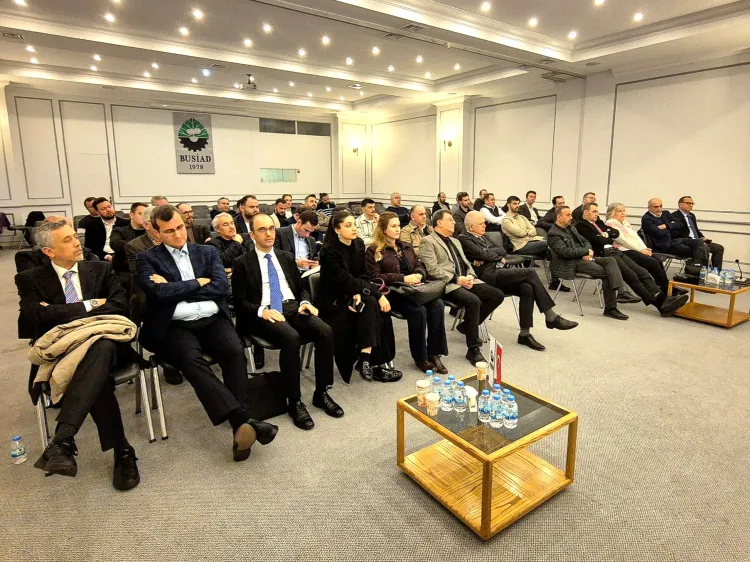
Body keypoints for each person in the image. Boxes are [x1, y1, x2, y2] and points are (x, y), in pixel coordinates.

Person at [135, 205, 277, 462]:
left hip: (212, 319)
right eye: (169, 231)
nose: (178, 234)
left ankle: (241, 424)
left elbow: (221, 288)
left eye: (180, 227)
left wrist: (177, 288)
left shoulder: (207, 252)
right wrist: (198, 283)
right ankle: (242, 421)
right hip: (174, 325)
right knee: (191, 359)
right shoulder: (146, 259)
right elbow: (158, 293)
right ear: (156, 233)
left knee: (234, 350)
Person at [15, 220, 140, 490]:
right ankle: (122, 451)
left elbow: (120, 306)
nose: (77, 243)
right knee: (97, 372)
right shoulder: (30, 278)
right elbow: (36, 318)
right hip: (64, 351)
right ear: (49, 251)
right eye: (68, 240)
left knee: (100, 346)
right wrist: (93, 304)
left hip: (111, 343)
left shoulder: (101, 269)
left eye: (75, 236)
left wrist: (59, 311)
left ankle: (63, 439)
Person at [232, 214, 343, 430]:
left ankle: (321, 392)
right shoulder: (242, 263)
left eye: (271, 229)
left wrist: (305, 301)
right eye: (262, 230)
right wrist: (262, 311)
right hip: (264, 311)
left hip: (292, 306)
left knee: (325, 330)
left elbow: (301, 287)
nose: (269, 234)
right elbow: (239, 301)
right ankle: (294, 401)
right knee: (291, 338)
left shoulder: (286, 256)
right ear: (252, 235)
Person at [459, 211, 578, 351]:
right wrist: (491, 255)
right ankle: (550, 316)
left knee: (527, 287)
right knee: (530, 272)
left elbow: (502, 250)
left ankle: (524, 334)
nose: (485, 225)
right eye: (481, 224)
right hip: (484, 277)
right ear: (471, 227)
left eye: (484, 223)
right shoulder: (464, 238)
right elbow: (483, 254)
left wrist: (490, 255)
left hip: (495, 273)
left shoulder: (483, 236)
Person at [318, 210, 400, 383]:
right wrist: (375, 294)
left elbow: (363, 275)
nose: (354, 228)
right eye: (348, 226)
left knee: (375, 308)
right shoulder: (328, 251)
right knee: (373, 304)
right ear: (337, 229)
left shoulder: (358, 244)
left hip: (355, 292)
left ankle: (367, 360)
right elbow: (343, 280)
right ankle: (371, 363)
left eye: (354, 224)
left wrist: (359, 292)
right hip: (334, 300)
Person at [366, 212, 448, 374]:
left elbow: (420, 265)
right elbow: (375, 277)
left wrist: (418, 275)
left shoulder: (405, 246)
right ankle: (420, 357)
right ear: (383, 229)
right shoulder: (374, 250)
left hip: (415, 290)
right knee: (419, 311)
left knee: (438, 304)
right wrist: (403, 278)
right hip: (395, 293)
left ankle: (434, 353)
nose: (398, 229)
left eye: (398, 225)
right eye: (393, 226)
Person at [420, 210, 505, 365]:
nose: (454, 222)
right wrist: (457, 279)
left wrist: (471, 276)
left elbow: (467, 263)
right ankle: (473, 349)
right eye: (450, 220)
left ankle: (466, 325)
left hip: (465, 280)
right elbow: (432, 269)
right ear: (439, 222)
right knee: (473, 301)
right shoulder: (428, 241)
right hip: (447, 284)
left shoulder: (455, 241)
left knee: (497, 295)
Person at [577, 203, 689, 316]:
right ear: (585, 212)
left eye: (597, 211)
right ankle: (659, 304)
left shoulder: (599, 222)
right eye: (594, 212)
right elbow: (599, 240)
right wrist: (607, 235)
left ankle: (663, 298)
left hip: (615, 251)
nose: (597, 214)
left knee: (642, 272)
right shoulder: (581, 226)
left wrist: (605, 235)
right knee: (632, 276)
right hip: (604, 255)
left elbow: (615, 234)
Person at [548, 206, 629, 320]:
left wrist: (587, 251)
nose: (571, 217)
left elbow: (585, 241)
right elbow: (565, 252)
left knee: (611, 260)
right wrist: (585, 252)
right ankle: (611, 308)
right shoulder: (554, 234)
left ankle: (621, 292)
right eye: (568, 215)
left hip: (582, 258)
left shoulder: (571, 228)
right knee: (607, 273)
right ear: (559, 217)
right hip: (570, 264)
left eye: (571, 215)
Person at [604, 203, 674, 295]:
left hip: (636, 249)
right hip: (624, 251)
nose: (623, 213)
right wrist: (640, 250)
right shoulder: (610, 223)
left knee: (657, 260)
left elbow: (636, 238)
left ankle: (665, 286)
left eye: (624, 211)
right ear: (612, 213)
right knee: (652, 262)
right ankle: (665, 289)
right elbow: (623, 241)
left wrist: (645, 249)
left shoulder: (625, 223)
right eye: (619, 211)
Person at [641, 198, 709, 266]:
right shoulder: (646, 219)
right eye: (656, 207)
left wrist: (666, 226)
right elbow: (659, 233)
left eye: (660, 206)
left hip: (677, 240)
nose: (659, 209)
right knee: (697, 250)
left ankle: (700, 268)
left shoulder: (666, 213)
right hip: (665, 245)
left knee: (700, 243)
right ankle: (697, 269)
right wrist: (672, 227)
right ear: (649, 207)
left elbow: (681, 224)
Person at [671, 196, 724, 269]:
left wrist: (702, 238)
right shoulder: (674, 216)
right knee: (703, 248)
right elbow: (677, 235)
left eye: (692, 203)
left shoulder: (692, 216)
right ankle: (702, 271)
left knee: (719, 248)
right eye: (688, 203)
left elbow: (696, 230)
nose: (691, 205)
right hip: (687, 242)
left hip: (698, 240)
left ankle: (716, 272)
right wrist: (697, 241)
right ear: (680, 205)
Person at [109, 202, 148, 283]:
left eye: (146, 215)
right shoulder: (119, 231)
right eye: (140, 214)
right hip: (125, 272)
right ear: (132, 215)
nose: (144, 217)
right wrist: (142, 245)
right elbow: (115, 244)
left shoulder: (151, 232)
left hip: (147, 270)